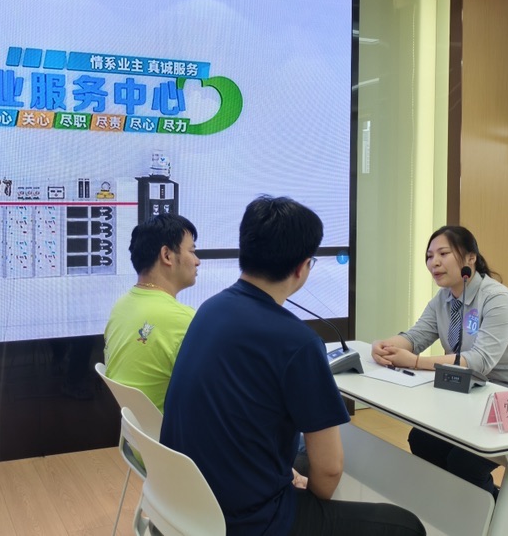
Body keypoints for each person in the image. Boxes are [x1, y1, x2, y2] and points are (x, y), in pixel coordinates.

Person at [161, 196, 426, 536]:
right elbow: (329, 471)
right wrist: (306, 498)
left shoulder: (209, 309)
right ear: (302, 267)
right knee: (406, 526)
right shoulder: (297, 341)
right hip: (248, 521)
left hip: (187, 502)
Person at [371, 225, 508, 500]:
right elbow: (415, 336)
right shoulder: (444, 299)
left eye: (443, 253)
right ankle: (461, 510)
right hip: (482, 397)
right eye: (429, 256)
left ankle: (501, 510)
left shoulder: (498, 298)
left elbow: (479, 361)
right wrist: (386, 345)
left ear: (471, 258)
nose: (434, 262)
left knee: (465, 461)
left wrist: (417, 361)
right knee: (423, 441)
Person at [103, 213, 200, 412]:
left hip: (136, 429)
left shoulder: (121, 306)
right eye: (192, 251)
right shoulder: (183, 320)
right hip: (169, 431)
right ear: (167, 255)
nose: (197, 261)